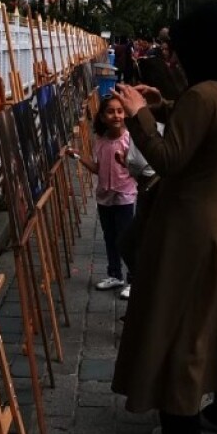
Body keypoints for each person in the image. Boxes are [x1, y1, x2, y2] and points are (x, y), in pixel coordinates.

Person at [111, 0, 217, 434]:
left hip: (189, 226)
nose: (176, 57)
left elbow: (168, 158)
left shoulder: (204, 95)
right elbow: (211, 126)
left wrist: (138, 114)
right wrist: (165, 103)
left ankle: (181, 426)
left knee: (180, 319)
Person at [68, 93, 140, 300]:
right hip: (104, 196)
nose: (116, 115)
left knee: (126, 238)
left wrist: (126, 161)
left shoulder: (129, 139)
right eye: (111, 111)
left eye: (120, 111)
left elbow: (137, 168)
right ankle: (114, 274)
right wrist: (79, 156)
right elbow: (98, 168)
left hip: (124, 195)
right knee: (110, 236)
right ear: (102, 117)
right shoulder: (100, 141)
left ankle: (133, 278)